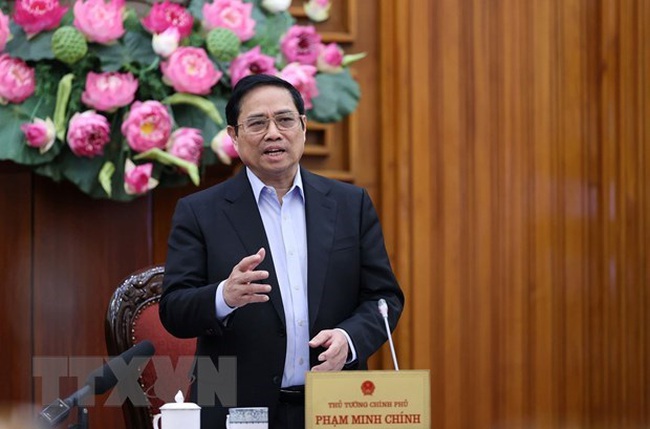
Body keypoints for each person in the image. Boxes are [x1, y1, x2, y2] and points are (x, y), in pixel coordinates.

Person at [159, 74, 404, 429]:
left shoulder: (351, 204)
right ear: (233, 136)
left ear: (303, 127)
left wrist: (349, 339)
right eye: (257, 123)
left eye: (285, 120)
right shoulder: (200, 212)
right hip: (235, 408)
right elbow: (174, 310)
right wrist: (223, 297)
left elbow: (383, 298)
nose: (273, 133)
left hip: (335, 406)